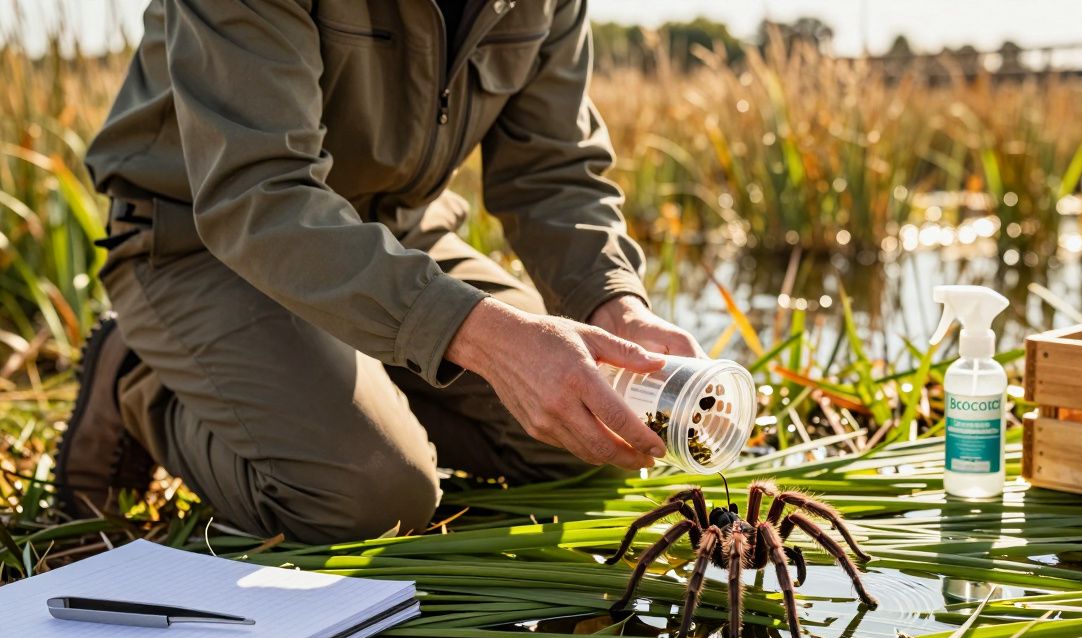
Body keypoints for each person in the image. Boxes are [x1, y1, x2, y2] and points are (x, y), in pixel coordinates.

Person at [55, 0, 705, 544]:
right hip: (201, 243)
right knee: (370, 499)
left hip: (395, 237)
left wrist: (612, 301)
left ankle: (362, 376)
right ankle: (139, 382)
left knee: (594, 435)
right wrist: (483, 335)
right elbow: (259, 196)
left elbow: (553, 175)